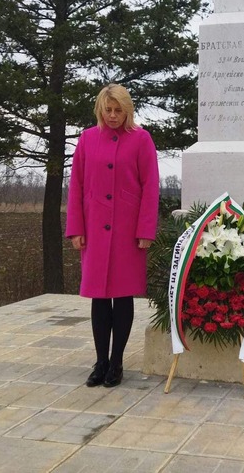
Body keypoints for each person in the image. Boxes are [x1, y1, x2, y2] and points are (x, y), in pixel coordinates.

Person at [66, 84, 159, 388]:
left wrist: (146, 230)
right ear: (100, 110)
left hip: (127, 233)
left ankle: (116, 362)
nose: (113, 115)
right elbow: (77, 185)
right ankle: (100, 361)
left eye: (119, 110)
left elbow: (150, 187)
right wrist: (76, 228)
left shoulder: (141, 140)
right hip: (94, 230)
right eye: (108, 110)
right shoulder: (87, 139)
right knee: (99, 297)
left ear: (127, 110)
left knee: (122, 296)